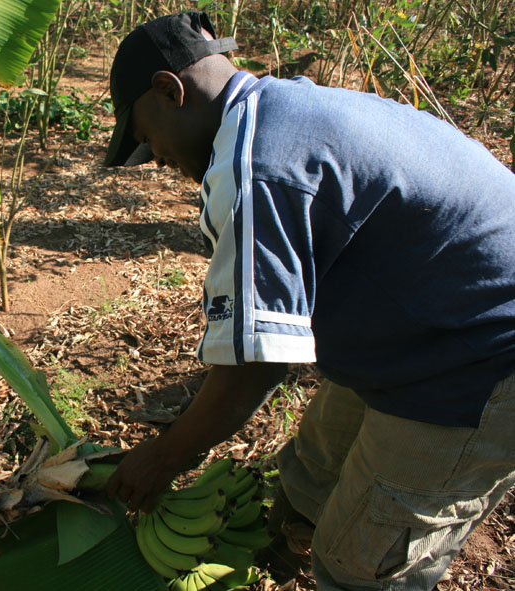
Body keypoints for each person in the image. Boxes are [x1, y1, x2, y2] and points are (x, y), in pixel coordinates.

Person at [101, 10, 515, 591]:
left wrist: (164, 456)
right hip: (430, 317)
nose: (159, 159)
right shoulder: (283, 108)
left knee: (360, 566)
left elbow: (256, 366)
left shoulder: (255, 165)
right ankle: (287, 547)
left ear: (171, 91)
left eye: (148, 139)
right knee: (310, 477)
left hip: (482, 357)